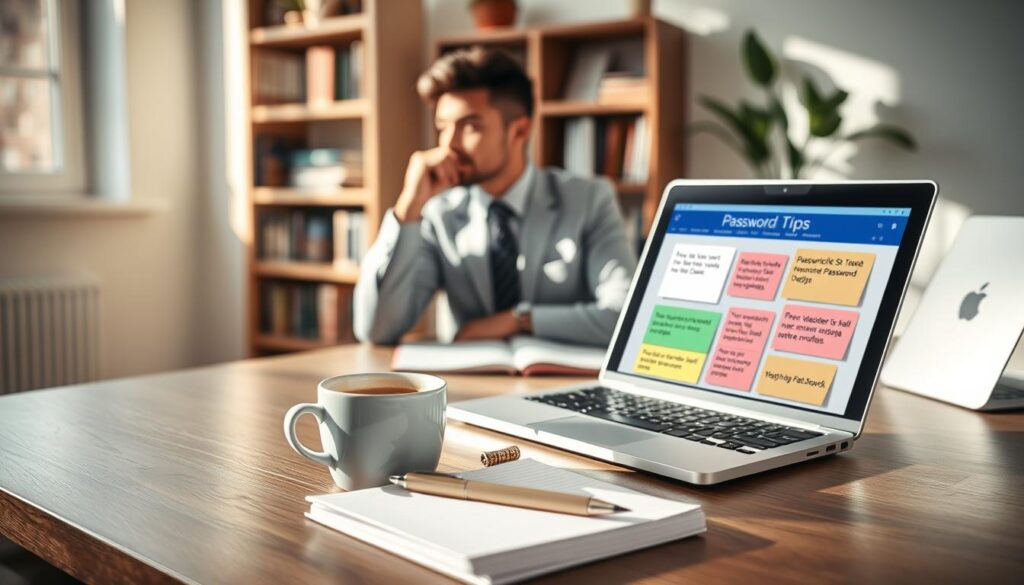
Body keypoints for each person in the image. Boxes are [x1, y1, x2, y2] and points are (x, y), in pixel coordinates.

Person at [353, 47, 637, 346]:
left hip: (560, 386)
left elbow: (625, 317)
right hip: (473, 388)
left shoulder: (589, 200)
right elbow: (376, 329)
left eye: (470, 127)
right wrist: (408, 208)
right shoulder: (439, 214)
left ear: (519, 131)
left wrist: (519, 320)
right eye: (442, 127)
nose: (449, 144)